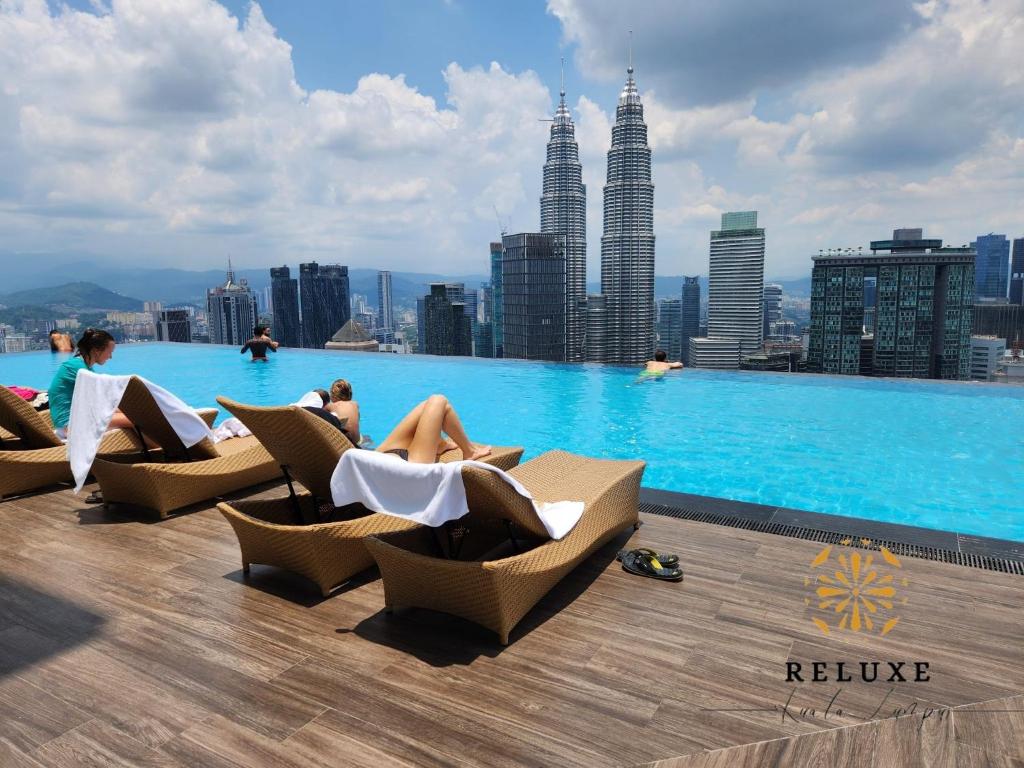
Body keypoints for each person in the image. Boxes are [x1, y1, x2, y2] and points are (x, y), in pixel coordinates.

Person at [48, 328, 134, 439]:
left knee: (134, 415)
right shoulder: (78, 368)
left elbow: (101, 404)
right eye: (110, 352)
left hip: (76, 421)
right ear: (97, 350)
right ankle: (157, 451)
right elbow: (103, 403)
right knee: (136, 419)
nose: (111, 356)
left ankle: (155, 450)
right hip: (71, 426)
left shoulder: (81, 366)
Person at [376, 394, 490, 464]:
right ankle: (470, 451)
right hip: (407, 467)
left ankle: (441, 444)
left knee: (427, 405)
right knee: (439, 401)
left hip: (380, 456)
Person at [325, 379, 362, 446]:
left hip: (342, 445)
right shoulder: (355, 404)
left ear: (332, 394)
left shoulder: (330, 406)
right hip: (357, 441)